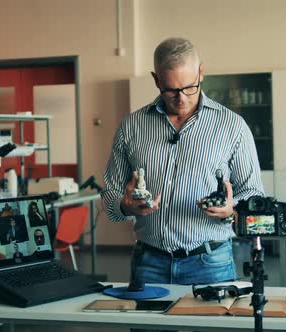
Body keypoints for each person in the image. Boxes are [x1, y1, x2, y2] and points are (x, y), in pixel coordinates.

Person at [102, 37, 264, 287]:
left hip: (211, 263)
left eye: (190, 87)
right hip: (148, 264)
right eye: (170, 90)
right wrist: (125, 206)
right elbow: (110, 197)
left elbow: (254, 194)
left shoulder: (232, 127)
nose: (181, 98)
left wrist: (232, 210)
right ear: (156, 80)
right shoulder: (131, 127)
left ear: (201, 72)